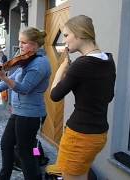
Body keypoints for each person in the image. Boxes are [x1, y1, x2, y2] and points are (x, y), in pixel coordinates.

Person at [50, 15, 116, 180]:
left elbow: (54, 95)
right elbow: (109, 96)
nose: (64, 40)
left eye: (66, 35)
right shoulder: (108, 59)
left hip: (79, 136)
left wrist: (62, 69)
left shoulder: (81, 64)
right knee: (81, 174)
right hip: (99, 135)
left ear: (79, 33)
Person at [0, 27, 51, 180]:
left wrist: (3, 77)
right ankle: (3, 177)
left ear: (35, 45)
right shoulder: (26, 61)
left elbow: (24, 89)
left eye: (24, 43)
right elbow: (13, 77)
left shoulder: (40, 64)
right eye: (19, 42)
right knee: (6, 144)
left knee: (25, 151)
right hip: (19, 112)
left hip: (30, 115)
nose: (20, 46)